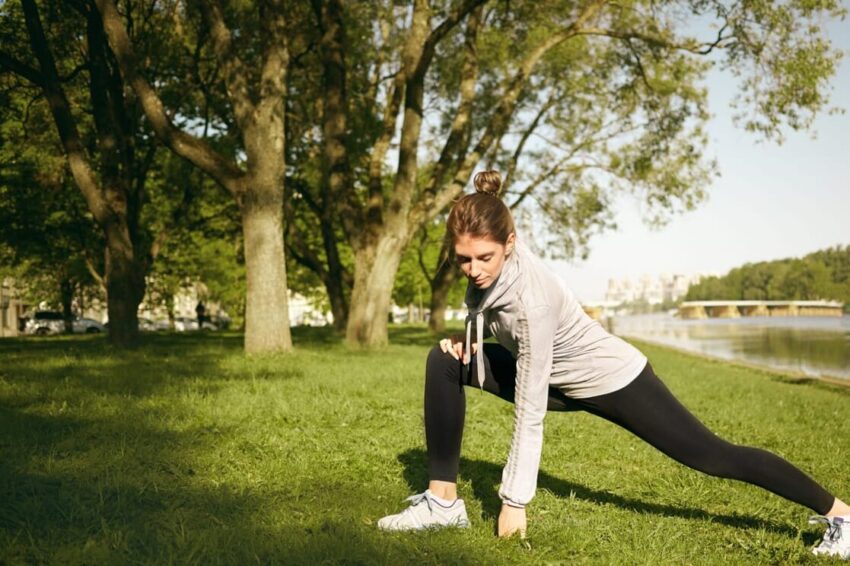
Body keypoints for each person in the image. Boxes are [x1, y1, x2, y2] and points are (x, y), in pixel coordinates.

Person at [376, 170, 850, 559]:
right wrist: (470, 341)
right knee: (443, 361)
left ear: (511, 243)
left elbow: (530, 407)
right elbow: (486, 309)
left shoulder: (533, 300)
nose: (475, 269)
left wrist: (514, 501)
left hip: (613, 379)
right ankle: (442, 504)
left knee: (712, 455)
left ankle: (841, 515)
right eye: (464, 259)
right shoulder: (490, 264)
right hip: (551, 371)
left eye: (485, 257)